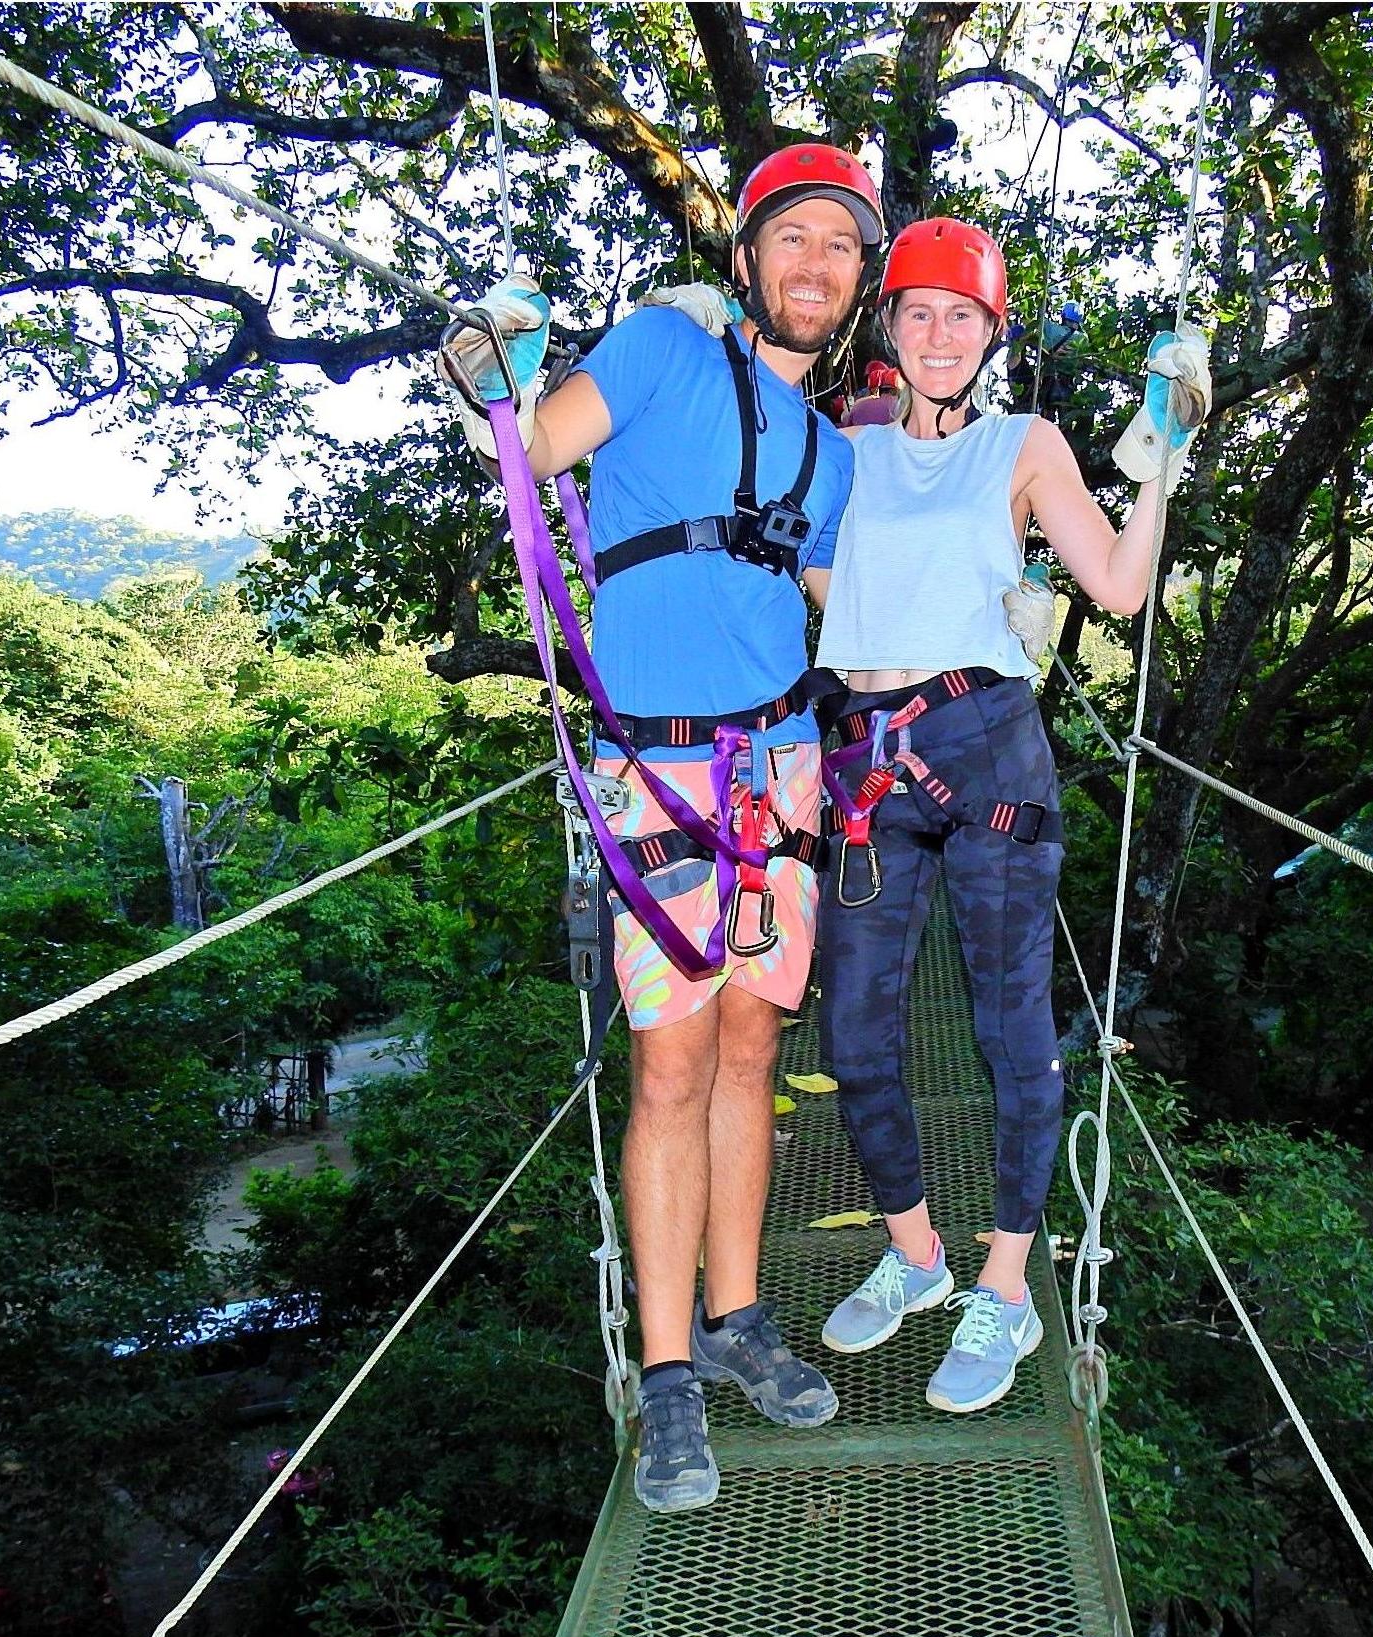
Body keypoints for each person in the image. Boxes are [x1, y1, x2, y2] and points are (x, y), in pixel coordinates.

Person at [441, 144, 885, 1511]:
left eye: (842, 247)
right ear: (745, 258)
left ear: (857, 283)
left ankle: (740, 1315)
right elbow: (525, 443)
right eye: (794, 237)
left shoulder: (833, 454)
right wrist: (498, 362)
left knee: (752, 1050)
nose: (817, 264)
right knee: (672, 1068)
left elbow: (850, 615)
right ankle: (672, 1368)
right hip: (660, 774)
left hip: (783, 772)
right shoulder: (655, 350)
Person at [808, 217, 1209, 1413]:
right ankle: (917, 1254)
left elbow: (1120, 586)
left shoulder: (1022, 444)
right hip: (865, 757)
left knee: (1010, 1030)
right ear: (888, 327)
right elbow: (811, 575)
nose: (940, 334)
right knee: (853, 1036)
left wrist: (1164, 453)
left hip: (987, 750)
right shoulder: (842, 451)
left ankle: (1007, 1286)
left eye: (963, 316)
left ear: (992, 335)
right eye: (919, 312)